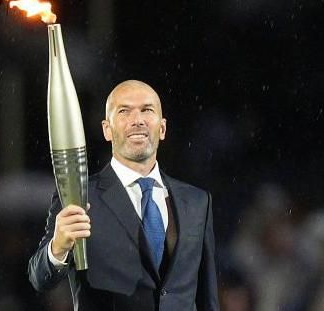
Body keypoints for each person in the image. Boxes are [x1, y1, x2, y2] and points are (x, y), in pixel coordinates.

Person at [28, 80, 220, 310]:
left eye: (147, 110)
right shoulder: (78, 197)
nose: (137, 120)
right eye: (124, 111)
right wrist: (57, 248)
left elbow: (207, 297)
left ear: (163, 128)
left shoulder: (198, 202)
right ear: (106, 130)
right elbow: (39, 278)